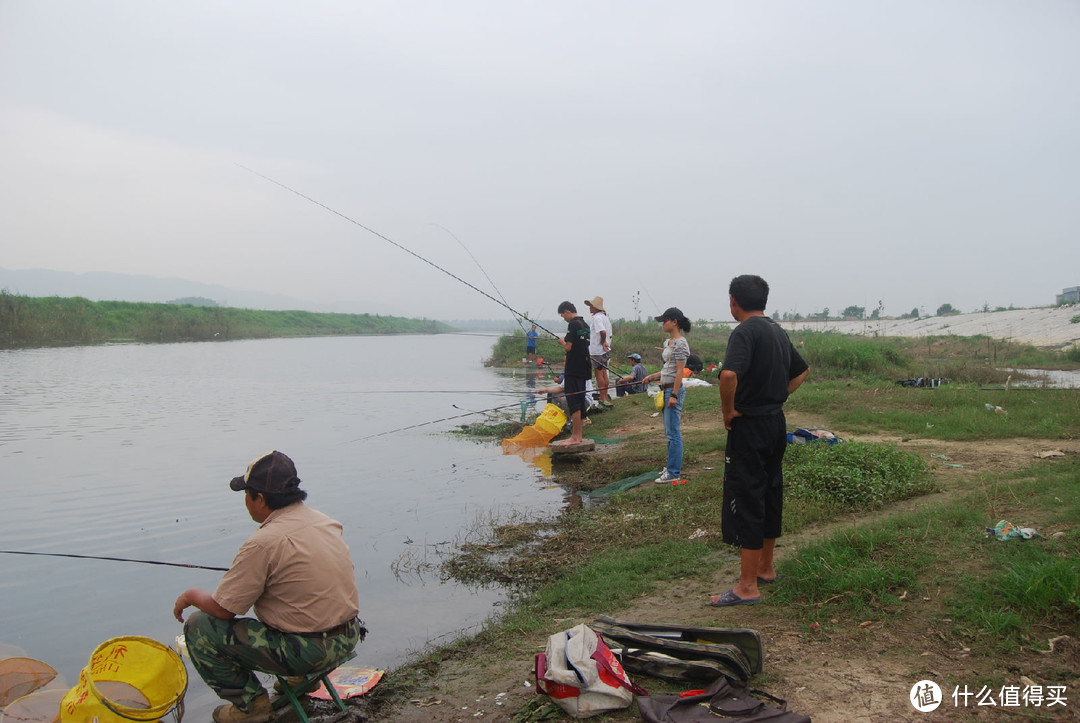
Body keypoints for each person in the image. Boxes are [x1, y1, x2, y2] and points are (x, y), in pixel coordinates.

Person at [174, 451, 364, 722]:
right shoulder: (324, 521)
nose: (245, 501)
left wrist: (191, 595)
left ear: (259, 498)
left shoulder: (263, 543)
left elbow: (223, 610)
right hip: (347, 636)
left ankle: (251, 707)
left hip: (310, 651)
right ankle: (303, 679)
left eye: (246, 493)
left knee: (198, 626)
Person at [710, 275, 809, 608]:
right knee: (770, 490)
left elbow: (728, 375)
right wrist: (777, 397)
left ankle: (747, 586)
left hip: (750, 426)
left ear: (733, 301)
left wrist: (729, 411)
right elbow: (801, 372)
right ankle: (765, 568)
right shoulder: (776, 330)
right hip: (774, 422)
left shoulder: (744, 332)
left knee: (748, 495)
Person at [641, 307, 691, 483]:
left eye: (665, 320)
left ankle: (673, 472)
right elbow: (667, 369)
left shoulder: (680, 343)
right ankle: (671, 466)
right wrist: (652, 376)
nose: (663, 324)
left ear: (674, 322)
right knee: (669, 432)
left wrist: (674, 395)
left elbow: (679, 372)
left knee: (673, 433)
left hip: (672, 391)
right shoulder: (668, 342)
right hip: (666, 388)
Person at [552, 301, 590, 446]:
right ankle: (578, 436)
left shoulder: (573, 324)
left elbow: (568, 347)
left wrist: (562, 341)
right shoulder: (585, 325)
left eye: (563, 316)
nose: (564, 318)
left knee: (574, 402)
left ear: (567, 311)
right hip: (584, 367)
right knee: (579, 401)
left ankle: (575, 436)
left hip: (573, 368)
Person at [584, 296, 613, 402]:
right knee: (604, 373)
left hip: (597, 351)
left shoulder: (596, 318)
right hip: (605, 351)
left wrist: (602, 342)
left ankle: (602, 396)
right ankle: (604, 396)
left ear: (595, 307)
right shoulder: (605, 317)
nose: (589, 308)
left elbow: (603, 332)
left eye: (591, 306)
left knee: (599, 374)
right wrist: (606, 343)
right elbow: (609, 334)